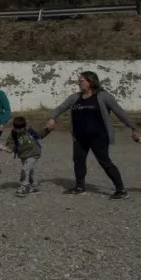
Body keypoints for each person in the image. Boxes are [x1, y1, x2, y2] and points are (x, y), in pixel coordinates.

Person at [46, 70, 139, 199]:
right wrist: (52, 118)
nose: (78, 83)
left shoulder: (103, 96)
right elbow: (60, 108)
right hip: (79, 137)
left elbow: (120, 113)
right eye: (78, 81)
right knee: (78, 161)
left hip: (99, 136)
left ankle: (121, 190)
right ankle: (79, 187)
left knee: (105, 162)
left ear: (90, 82)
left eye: (81, 80)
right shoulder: (75, 97)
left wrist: (133, 128)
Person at [4, 116, 52, 196]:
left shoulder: (30, 130)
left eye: (21, 129)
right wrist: (10, 148)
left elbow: (40, 134)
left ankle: (24, 186)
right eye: (16, 128)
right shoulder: (13, 133)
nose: (18, 130)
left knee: (25, 169)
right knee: (29, 170)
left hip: (34, 153)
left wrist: (48, 130)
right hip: (23, 155)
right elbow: (10, 141)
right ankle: (32, 184)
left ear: (24, 126)